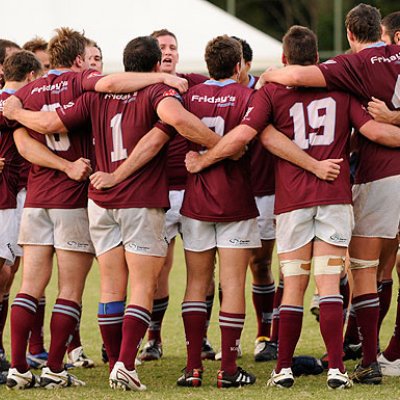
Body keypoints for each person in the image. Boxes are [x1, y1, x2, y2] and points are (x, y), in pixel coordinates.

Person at [185, 25, 400, 389]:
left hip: (292, 201)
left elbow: (250, 136)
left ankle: (282, 368)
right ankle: (336, 369)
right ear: (317, 60)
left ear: (284, 60)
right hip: (333, 196)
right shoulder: (342, 91)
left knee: (295, 283)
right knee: (330, 282)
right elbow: (376, 133)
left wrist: (203, 161)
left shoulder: (270, 93)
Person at [5, 35, 221, 391]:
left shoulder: (83, 96)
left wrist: (17, 113)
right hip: (120, 197)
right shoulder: (113, 87)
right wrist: (220, 146)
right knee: (130, 285)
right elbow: (163, 129)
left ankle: (22, 365)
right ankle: (113, 364)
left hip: (85, 199)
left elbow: (44, 127)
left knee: (95, 286)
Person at [258, 3, 400, 384]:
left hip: (315, 193)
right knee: (339, 281)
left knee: (314, 280)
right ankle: (351, 364)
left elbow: (261, 134)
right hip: (337, 193)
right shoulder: (359, 79)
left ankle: (295, 367)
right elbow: (369, 132)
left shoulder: (336, 74)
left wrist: (268, 76)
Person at [173, 35, 259, 389]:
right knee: (232, 282)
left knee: (196, 282)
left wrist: (200, 159)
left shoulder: (190, 96)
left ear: (209, 65)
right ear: (239, 67)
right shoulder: (249, 96)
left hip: (196, 201)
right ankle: (228, 370)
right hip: (236, 200)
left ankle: (193, 368)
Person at [138, 28, 214, 363]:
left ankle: (202, 338)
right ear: (153, 56)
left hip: (197, 187)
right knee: (157, 269)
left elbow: (235, 84)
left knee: (203, 268)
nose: (168, 52)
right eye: (161, 47)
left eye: (173, 47)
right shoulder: (139, 87)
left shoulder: (194, 82)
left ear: (178, 55)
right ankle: (153, 339)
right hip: (159, 190)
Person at [232, 35, 277, 362]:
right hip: (230, 194)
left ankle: (266, 335)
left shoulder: (264, 92)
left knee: (261, 263)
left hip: (266, 192)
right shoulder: (209, 89)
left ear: (245, 65)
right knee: (230, 269)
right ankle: (226, 340)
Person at [0, 50, 42, 378]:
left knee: (9, 273)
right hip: (5, 199)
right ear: (31, 77)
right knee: (3, 272)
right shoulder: (12, 104)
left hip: (18, 197)